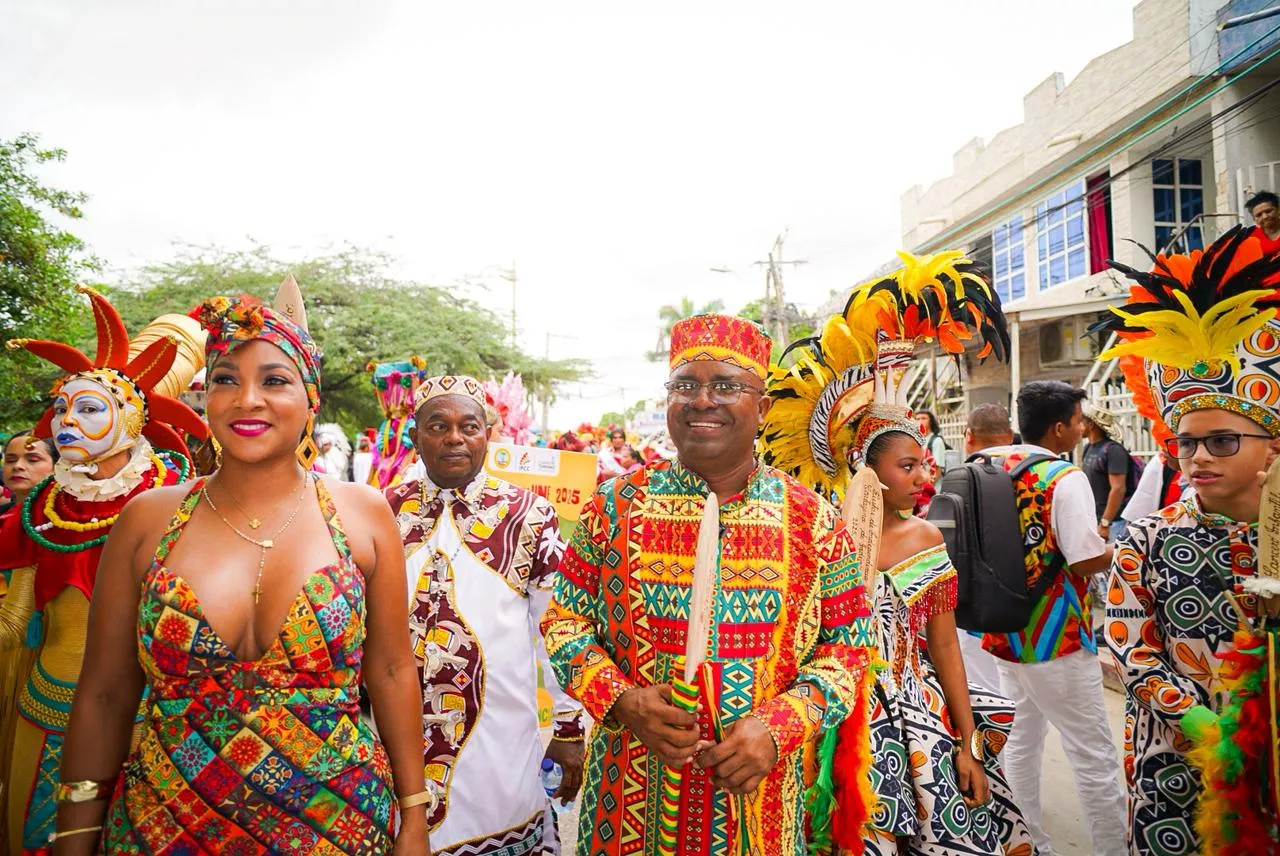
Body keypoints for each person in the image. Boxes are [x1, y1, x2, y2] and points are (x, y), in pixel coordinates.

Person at [53, 280, 431, 854]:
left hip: (336, 827)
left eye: (274, 381)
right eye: (225, 380)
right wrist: (75, 836)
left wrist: (415, 819)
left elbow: (393, 671)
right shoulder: (148, 519)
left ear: (312, 399)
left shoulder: (362, 513)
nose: (246, 399)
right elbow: (106, 692)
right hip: (165, 825)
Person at [541, 314, 876, 855]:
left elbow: (852, 647)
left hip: (755, 814)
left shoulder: (812, 519)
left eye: (726, 386)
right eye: (685, 385)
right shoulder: (615, 505)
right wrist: (623, 700)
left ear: (762, 408)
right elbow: (564, 624)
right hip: (626, 808)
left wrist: (779, 725)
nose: (702, 400)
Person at [762, 251, 1033, 854]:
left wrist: (966, 742)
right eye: (907, 464)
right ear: (865, 470)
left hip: (916, 718)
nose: (925, 474)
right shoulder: (810, 541)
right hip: (827, 720)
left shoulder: (926, 538)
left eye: (923, 461)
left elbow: (944, 647)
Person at [0, 288, 208, 856]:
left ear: (134, 417)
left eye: (89, 408)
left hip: (153, 715)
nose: (67, 420)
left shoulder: (178, 501)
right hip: (45, 706)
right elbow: (16, 613)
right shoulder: (42, 503)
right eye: (63, 407)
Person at [1093, 226, 1280, 853]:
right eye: (1186, 443)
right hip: (1175, 760)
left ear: (1271, 448)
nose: (1197, 457)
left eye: (1222, 441)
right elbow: (1125, 640)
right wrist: (1192, 716)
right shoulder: (1145, 537)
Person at [385, 373, 585, 856]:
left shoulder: (528, 515)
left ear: (487, 436)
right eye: (438, 426)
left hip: (503, 748)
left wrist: (568, 725)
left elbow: (553, 627)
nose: (454, 438)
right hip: (394, 749)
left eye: (469, 427)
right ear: (415, 436)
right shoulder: (382, 510)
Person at [977, 380, 1127, 856]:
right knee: (1094, 755)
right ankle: (1112, 849)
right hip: (1056, 636)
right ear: (1060, 428)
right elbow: (1084, 559)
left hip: (1005, 631)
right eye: (1079, 421)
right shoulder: (1065, 477)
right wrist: (1123, 547)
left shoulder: (989, 467)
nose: (1083, 429)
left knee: (1020, 745)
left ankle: (1030, 844)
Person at [958, 403, 1018, 696]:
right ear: (1011, 434)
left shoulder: (963, 477)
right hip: (1029, 613)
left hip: (976, 611)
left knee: (986, 695)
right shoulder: (1034, 472)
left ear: (969, 435)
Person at [1081, 403, 1134, 542]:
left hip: (1114, 523)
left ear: (1091, 424)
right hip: (1096, 519)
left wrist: (1105, 522)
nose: (1077, 425)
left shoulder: (1113, 451)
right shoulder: (1088, 448)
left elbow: (1118, 488)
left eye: (1081, 421)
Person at [0, 432, 57, 518]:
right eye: (10, 460)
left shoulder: (70, 519)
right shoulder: (2, 515)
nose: (17, 466)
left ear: (57, 466)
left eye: (33, 460)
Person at [1245, 189, 1280, 256]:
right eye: (1259, 215)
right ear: (1254, 219)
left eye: (1268, 211)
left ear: (1278, 210)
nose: (1265, 217)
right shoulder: (1250, 237)